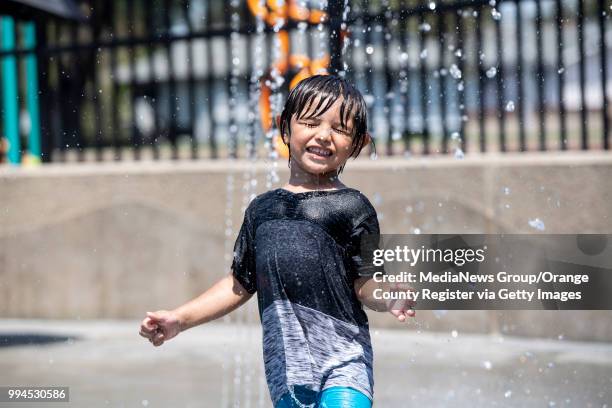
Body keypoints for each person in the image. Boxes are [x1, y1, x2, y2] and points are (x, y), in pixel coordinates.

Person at [139, 75, 415, 407]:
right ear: (285, 127)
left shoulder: (353, 208)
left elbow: (364, 283)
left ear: (357, 143)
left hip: (344, 361)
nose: (323, 135)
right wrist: (179, 319)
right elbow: (238, 284)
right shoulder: (261, 211)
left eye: (340, 129)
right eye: (310, 122)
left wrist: (386, 296)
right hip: (286, 372)